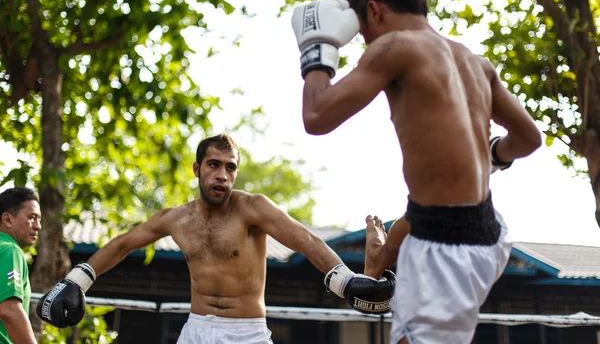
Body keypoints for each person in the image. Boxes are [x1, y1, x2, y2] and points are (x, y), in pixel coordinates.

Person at [291, 0, 542, 344]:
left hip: (445, 248)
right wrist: (486, 156)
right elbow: (528, 139)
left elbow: (316, 116)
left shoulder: (394, 46)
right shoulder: (477, 63)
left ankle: (382, 253)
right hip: (489, 232)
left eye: (360, 28)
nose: (362, 40)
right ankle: (384, 251)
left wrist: (317, 50)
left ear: (373, 11)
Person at [37, 134, 395, 343]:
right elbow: (123, 244)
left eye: (230, 167)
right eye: (214, 165)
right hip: (196, 330)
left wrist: (345, 281)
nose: (222, 175)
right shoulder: (175, 219)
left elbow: (305, 240)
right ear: (197, 169)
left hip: (248, 333)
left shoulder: (253, 208)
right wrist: (76, 280)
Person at [0, 187, 42, 344]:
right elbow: (9, 310)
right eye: (32, 217)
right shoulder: (10, 250)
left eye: (39, 219)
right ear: (8, 219)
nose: (38, 226)